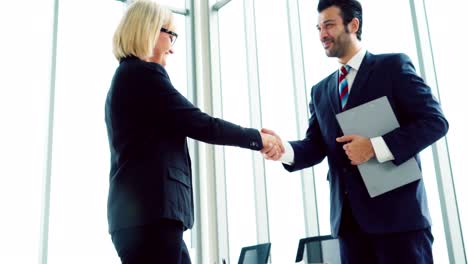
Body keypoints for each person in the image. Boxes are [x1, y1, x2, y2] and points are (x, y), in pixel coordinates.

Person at [262, 0, 448, 263]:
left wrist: (374, 147)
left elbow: (435, 121)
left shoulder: (392, 67)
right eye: (318, 28)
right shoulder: (321, 91)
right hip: (350, 228)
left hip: (399, 223)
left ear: (353, 24)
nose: (322, 34)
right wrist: (284, 149)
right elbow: (315, 146)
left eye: (328, 25)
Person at [105, 1, 283, 263]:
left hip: (142, 217)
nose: (173, 48)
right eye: (170, 35)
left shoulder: (127, 77)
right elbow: (201, 124)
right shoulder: (143, 75)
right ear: (150, 30)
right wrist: (257, 138)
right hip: (151, 216)